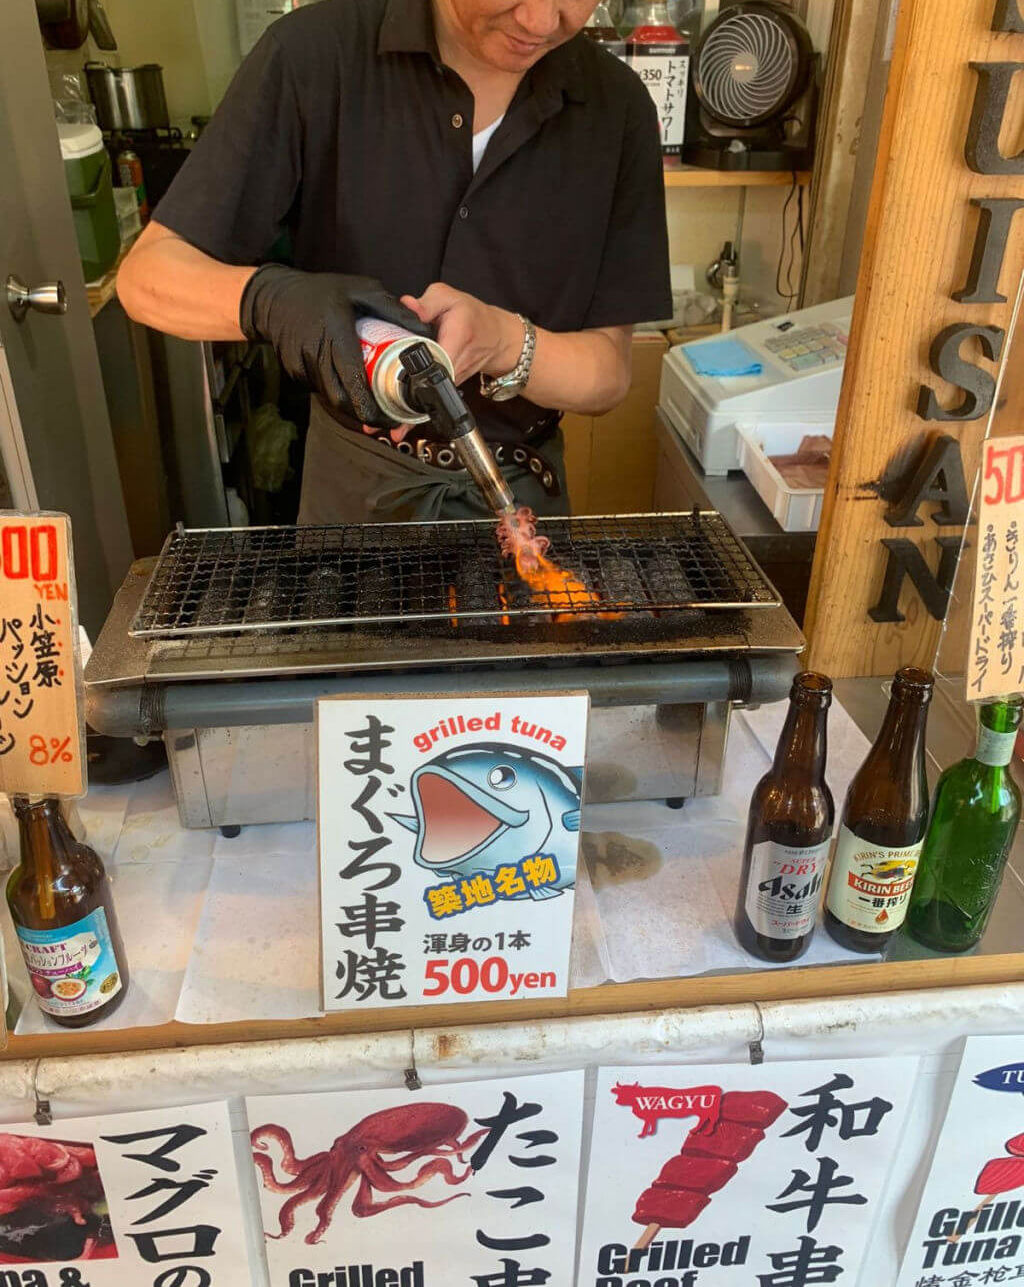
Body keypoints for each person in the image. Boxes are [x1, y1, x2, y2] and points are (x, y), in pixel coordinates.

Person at [117, 0, 671, 523]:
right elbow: (148, 277)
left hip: (521, 492)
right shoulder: (316, 53)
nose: (541, 19)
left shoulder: (615, 106)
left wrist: (504, 341)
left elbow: (607, 372)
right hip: (356, 491)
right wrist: (273, 301)